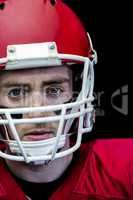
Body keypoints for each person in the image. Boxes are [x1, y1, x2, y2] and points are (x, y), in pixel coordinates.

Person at [0, 0, 132, 200]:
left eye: (54, 90)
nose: (37, 113)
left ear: (78, 90)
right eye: (16, 93)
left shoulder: (125, 169)